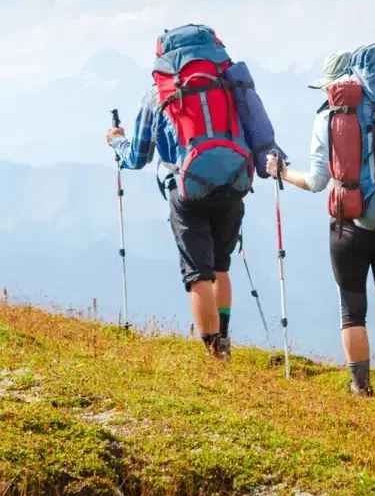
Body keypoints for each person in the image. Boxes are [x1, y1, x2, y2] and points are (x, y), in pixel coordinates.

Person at [266, 49, 375, 409]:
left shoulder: (331, 115)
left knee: (353, 309)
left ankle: (360, 389)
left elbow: (317, 181)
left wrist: (282, 172)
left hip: (351, 227)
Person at [105, 24, 284, 361]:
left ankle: (216, 354)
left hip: (185, 191)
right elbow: (260, 132)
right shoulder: (232, 80)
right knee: (220, 265)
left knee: (197, 272)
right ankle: (225, 338)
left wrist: (116, 140)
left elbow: (138, 157)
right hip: (233, 184)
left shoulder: (158, 92)